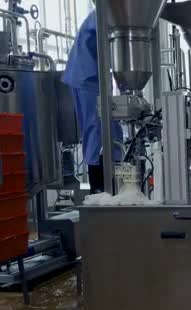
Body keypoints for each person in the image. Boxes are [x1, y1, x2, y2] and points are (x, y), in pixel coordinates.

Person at [63, 4, 123, 193]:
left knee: (113, 131)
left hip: (95, 78)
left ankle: (114, 183)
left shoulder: (113, 14)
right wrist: (124, 83)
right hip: (85, 78)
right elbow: (117, 50)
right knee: (96, 130)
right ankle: (98, 188)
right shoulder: (107, 13)